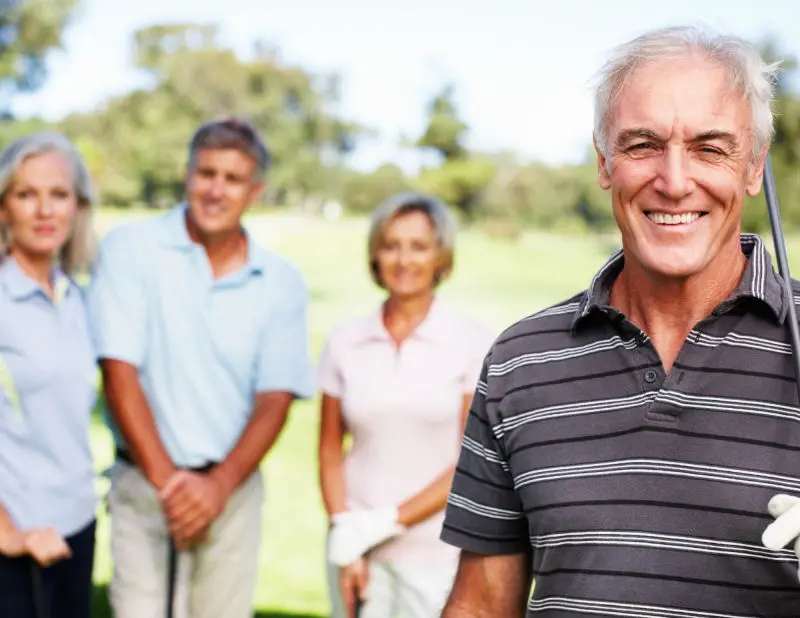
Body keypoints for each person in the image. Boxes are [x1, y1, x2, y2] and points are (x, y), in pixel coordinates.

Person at [439, 24, 800, 617]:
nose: (675, 181)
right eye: (642, 145)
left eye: (711, 148)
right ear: (605, 162)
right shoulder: (520, 360)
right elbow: (480, 604)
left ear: (755, 167)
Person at [86, 116, 315, 618]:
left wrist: (215, 489)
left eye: (232, 179)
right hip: (144, 485)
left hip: (230, 492)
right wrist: (171, 486)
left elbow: (275, 401)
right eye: (206, 173)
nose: (216, 189)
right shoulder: (130, 249)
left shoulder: (280, 281)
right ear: (187, 175)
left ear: (254, 191)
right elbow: (119, 373)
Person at [318, 192, 496, 618]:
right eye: (391, 244)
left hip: (437, 559)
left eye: (418, 246)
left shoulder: (471, 343)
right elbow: (328, 450)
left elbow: (468, 462)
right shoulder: (344, 342)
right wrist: (348, 535)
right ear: (375, 255)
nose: (403, 259)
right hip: (356, 556)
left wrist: (381, 523)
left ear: (441, 256)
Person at [0, 131, 98, 618]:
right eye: (25, 194)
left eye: (58, 194)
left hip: (77, 526)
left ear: (77, 207)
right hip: (18, 538)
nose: (44, 210)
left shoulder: (76, 298)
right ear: (3, 208)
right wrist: (8, 535)